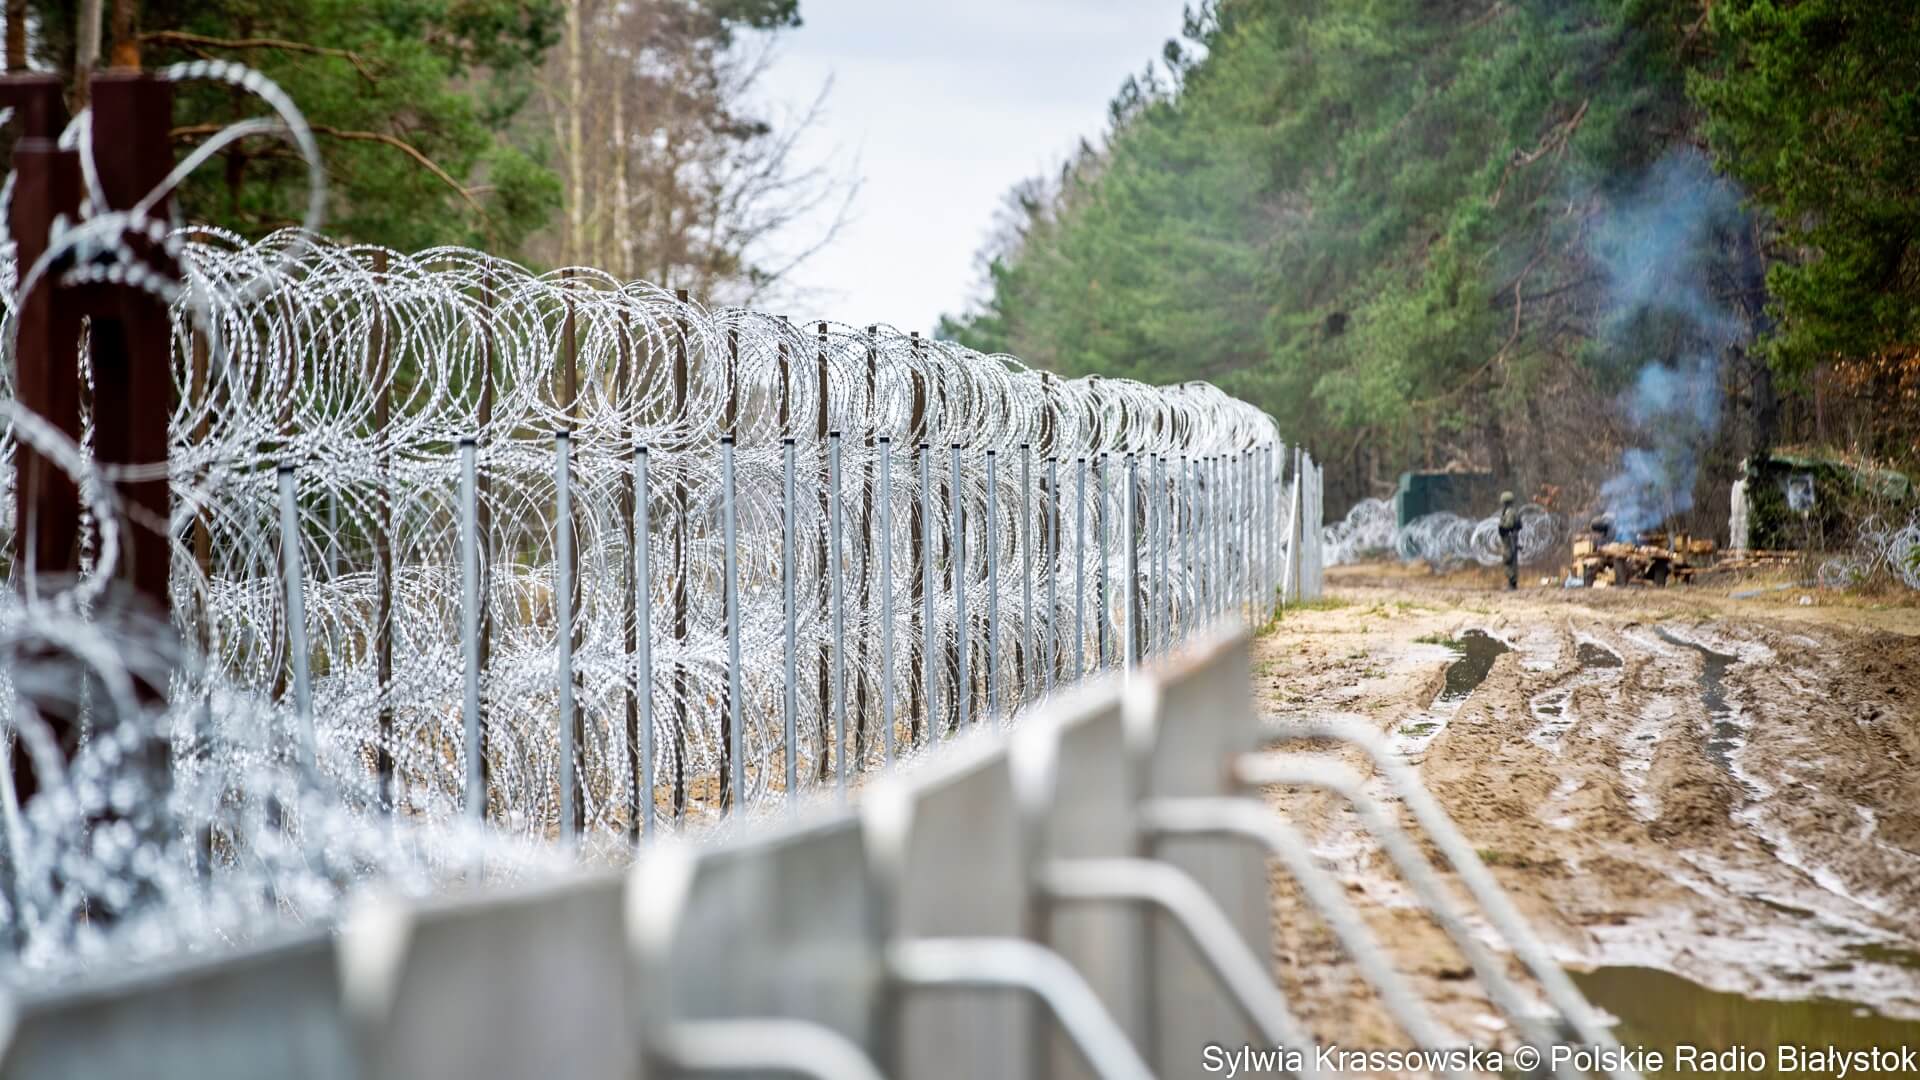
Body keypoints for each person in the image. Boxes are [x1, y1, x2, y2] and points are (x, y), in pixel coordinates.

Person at [1498, 491, 1521, 590]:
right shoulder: (1514, 511)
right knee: (1512, 561)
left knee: (1508, 560)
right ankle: (1512, 583)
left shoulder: (1509, 512)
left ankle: (1512, 582)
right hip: (1512, 538)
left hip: (1509, 539)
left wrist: (1501, 526)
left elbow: (1509, 524)